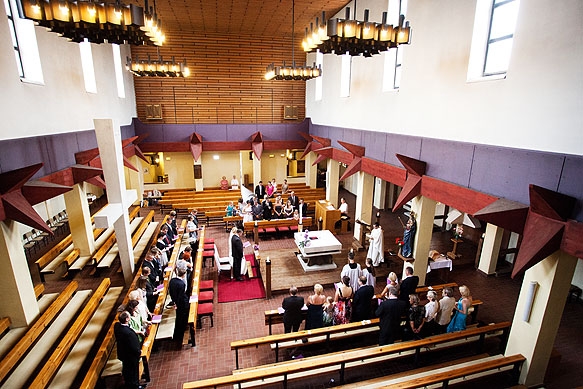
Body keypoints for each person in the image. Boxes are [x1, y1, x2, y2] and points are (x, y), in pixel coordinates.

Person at [114, 311, 143, 389]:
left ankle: (129, 383)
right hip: (130, 355)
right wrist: (138, 351)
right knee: (133, 371)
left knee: (127, 370)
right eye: (129, 316)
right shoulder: (128, 333)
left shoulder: (117, 327)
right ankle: (135, 386)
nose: (130, 317)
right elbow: (133, 345)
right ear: (127, 319)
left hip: (123, 354)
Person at [169, 267, 190, 343]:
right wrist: (177, 304)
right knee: (182, 316)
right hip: (182, 303)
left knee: (179, 316)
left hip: (176, 301)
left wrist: (174, 302)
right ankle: (182, 330)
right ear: (183, 275)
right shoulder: (182, 284)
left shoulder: (172, 281)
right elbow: (180, 296)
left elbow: (171, 292)